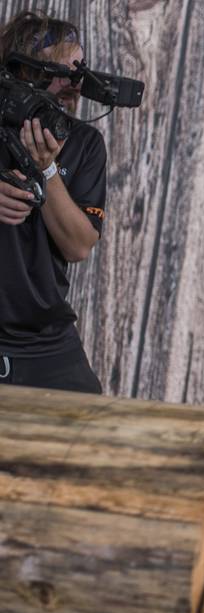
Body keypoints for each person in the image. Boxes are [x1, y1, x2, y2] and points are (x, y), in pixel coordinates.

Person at [0, 12, 106, 393]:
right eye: (63, 72)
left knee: (89, 439)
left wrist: (46, 170)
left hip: (44, 341)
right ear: (24, 71)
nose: (75, 86)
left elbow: (78, 245)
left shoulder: (83, 142)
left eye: (79, 73)